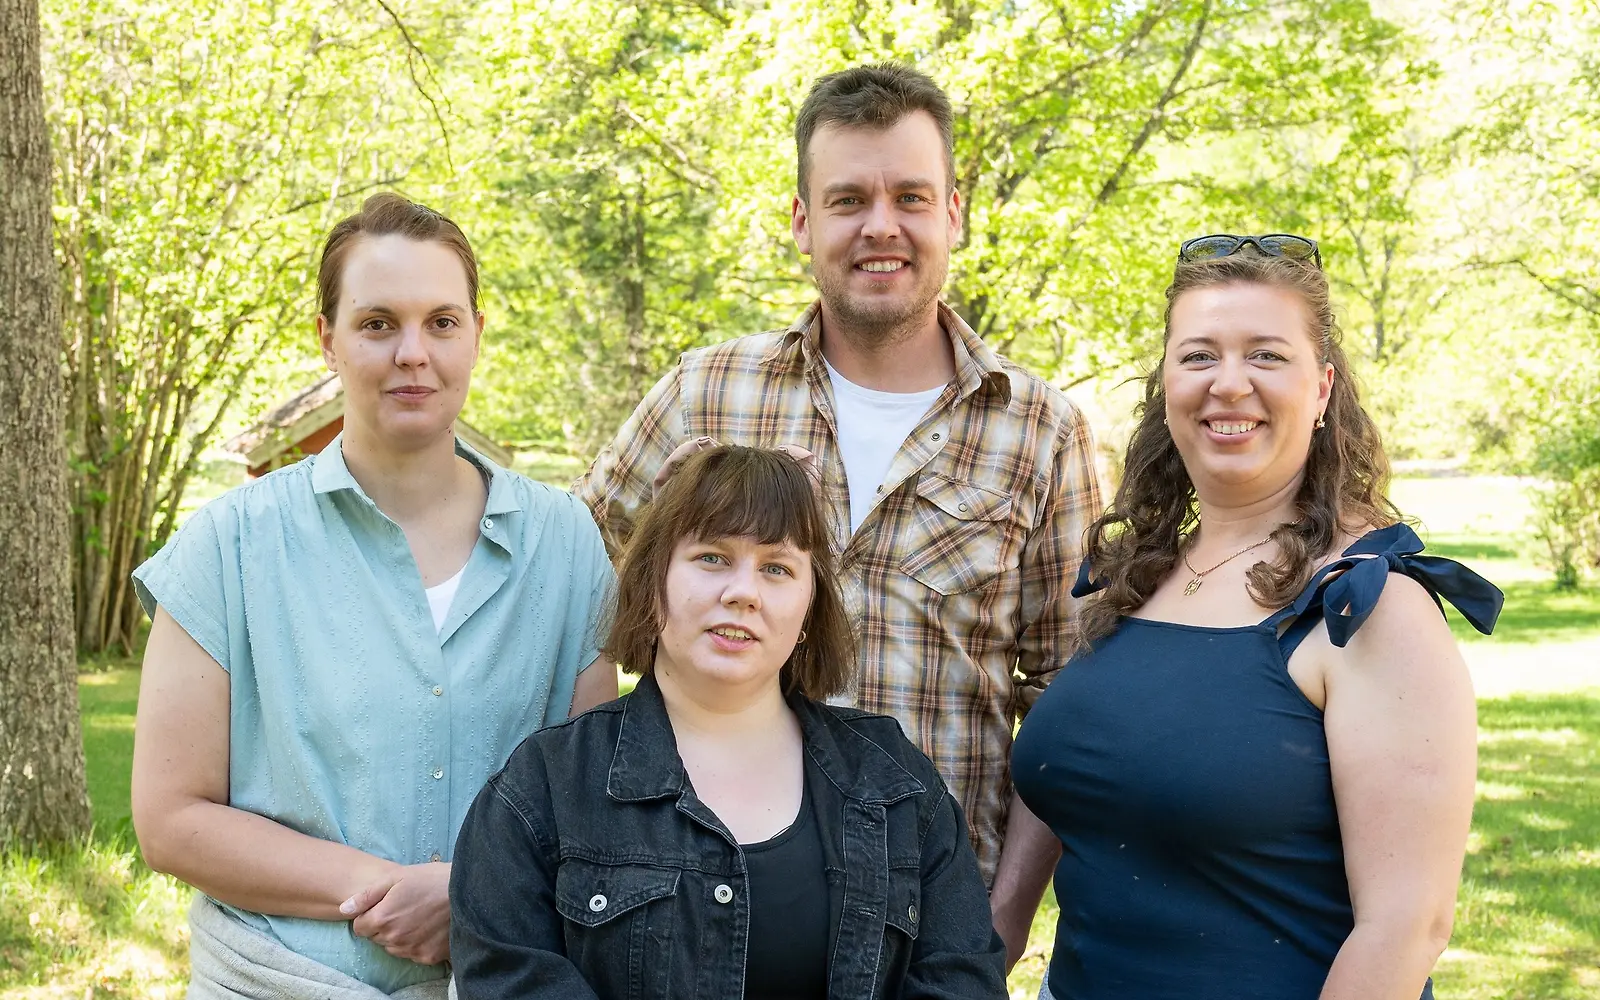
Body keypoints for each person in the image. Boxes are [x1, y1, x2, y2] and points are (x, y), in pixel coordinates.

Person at [571, 62, 1101, 965]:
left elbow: (1069, 702)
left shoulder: (1040, 432)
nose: (880, 225)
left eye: (910, 197)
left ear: (954, 215)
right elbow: (567, 595)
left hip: (928, 935)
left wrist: (1002, 922)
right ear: (802, 221)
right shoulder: (705, 396)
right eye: (848, 199)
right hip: (685, 923)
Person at [129, 193, 617, 997]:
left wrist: (472, 893)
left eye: (442, 322)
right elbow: (171, 820)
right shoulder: (228, 545)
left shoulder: (564, 544)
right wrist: (394, 890)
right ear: (327, 339)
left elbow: (590, 806)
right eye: (378, 323)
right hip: (272, 978)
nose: (412, 353)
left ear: (477, 333)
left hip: (503, 980)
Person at [1011, 234, 1504, 1000]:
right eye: (1199, 356)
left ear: (1322, 389)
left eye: (1267, 356)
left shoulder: (1368, 605)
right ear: (1167, 384)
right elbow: (1072, 785)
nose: (1229, 383)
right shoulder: (1132, 580)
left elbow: (1407, 927)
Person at [451, 445, 1009, 1000]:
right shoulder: (543, 788)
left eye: (776, 568)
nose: (743, 593)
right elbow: (510, 979)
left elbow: (961, 982)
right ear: (652, 583)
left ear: (809, 608)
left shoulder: (896, 785)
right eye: (713, 557)